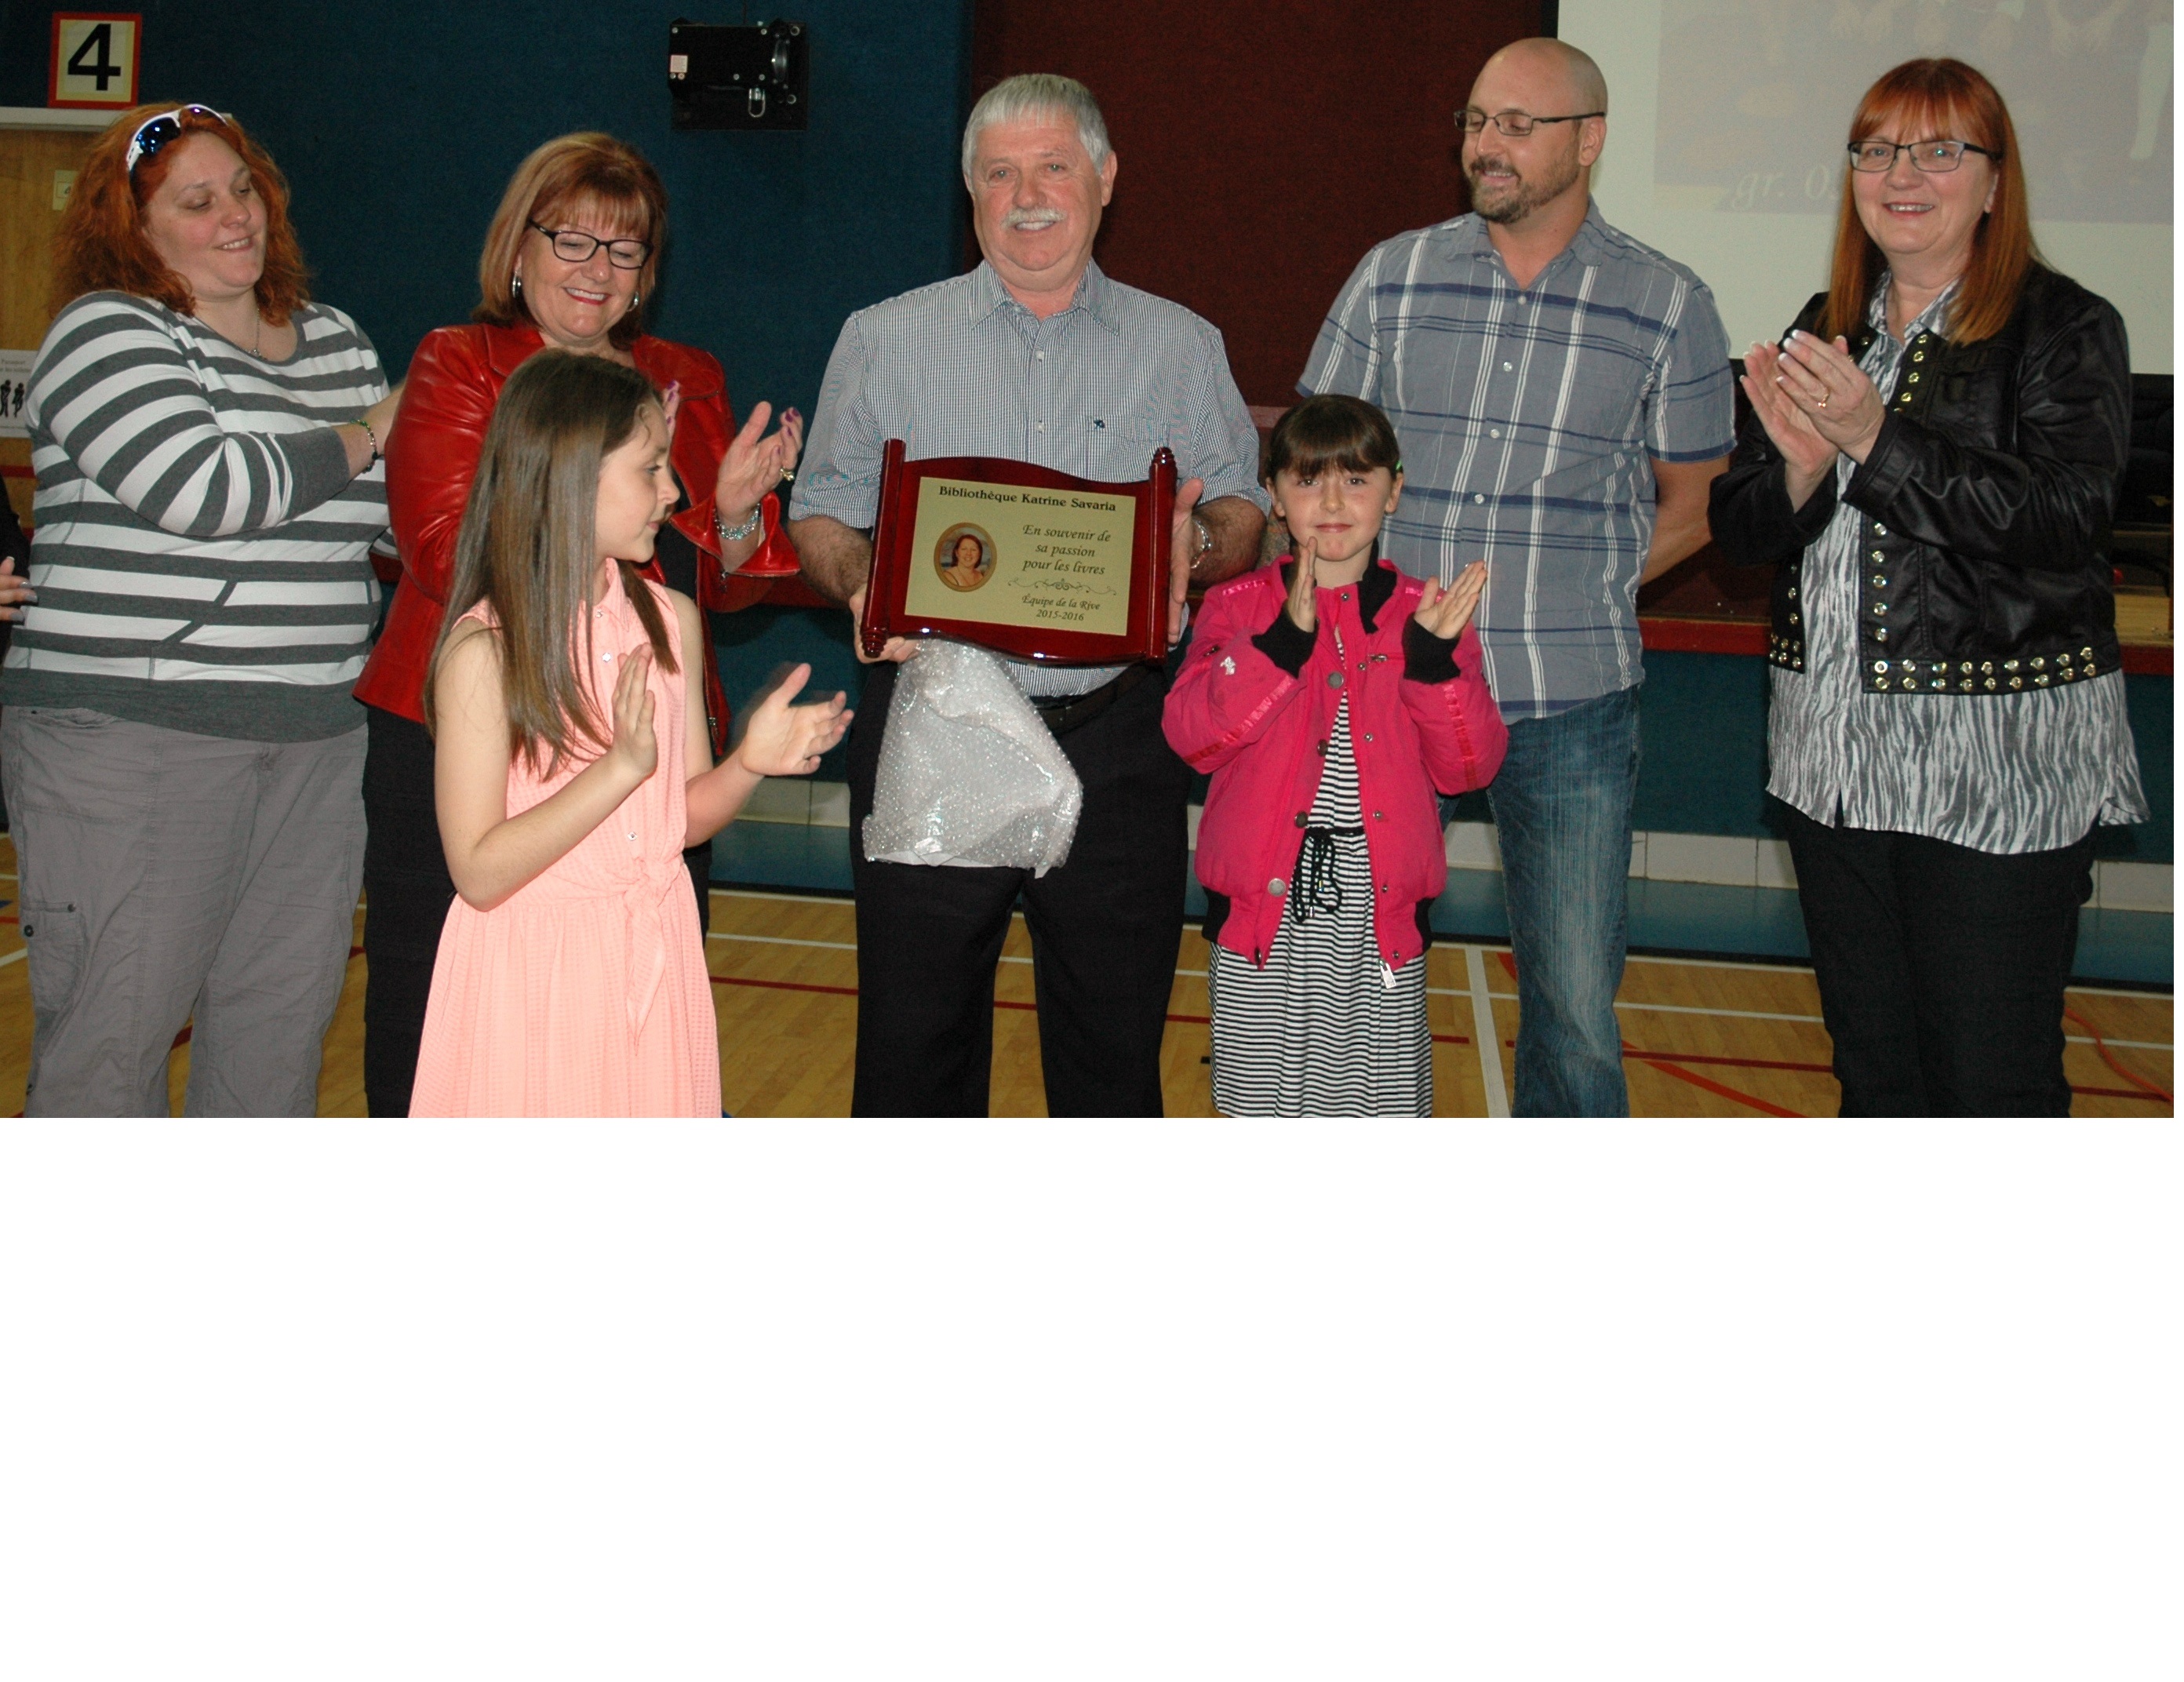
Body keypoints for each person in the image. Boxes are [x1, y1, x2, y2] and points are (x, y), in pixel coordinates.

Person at [790, 73, 1269, 1117]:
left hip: (1113, 743)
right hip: (935, 724)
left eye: (1053, 166)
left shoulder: (1179, 345)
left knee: (1111, 1063)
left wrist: (1193, 546)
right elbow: (818, 510)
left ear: (1103, 178)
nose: (1028, 195)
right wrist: (863, 579)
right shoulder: (885, 336)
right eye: (999, 174)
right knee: (913, 1057)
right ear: (971, 195)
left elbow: (1245, 511)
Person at [1301, 38, 1734, 1116]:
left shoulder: (1669, 303)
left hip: (1570, 702)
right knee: (1352, 976)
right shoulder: (1393, 275)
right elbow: (1313, 469)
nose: (1485, 146)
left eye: (1517, 125)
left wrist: (1584, 592)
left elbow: (1700, 506)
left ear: (1589, 141)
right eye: (1476, 121)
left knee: (1578, 1013)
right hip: (1386, 695)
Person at [1709, 58, 2146, 1116]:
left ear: (1996, 183)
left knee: (1986, 1084)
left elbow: (2060, 523)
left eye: (1942, 149)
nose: (1904, 172)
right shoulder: (1831, 320)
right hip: (1836, 765)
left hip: (1997, 772)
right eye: (1879, 149)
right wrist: (1807, 471)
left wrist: (1875, 438)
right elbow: (1742, 528)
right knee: (1877, 1078)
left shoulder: (2066, 329)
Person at [355, 131, 803, 1117]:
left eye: (625, 251)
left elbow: (724, 584)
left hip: (643, 721)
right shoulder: (461, 359)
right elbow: (441, 546)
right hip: (477, 729)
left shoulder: (684, 376)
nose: (598, 272)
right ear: (518, 251)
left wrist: (721, 515)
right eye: (572, 242)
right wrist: (570, 484)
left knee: (633, 1015)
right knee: (434, 1016)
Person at [0, 104, 399, 1116]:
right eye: (197, 200)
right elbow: (207, 490)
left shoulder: (336, 341)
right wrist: (373, 428)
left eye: (245, 188)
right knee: (110, 1040)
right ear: (135, 231)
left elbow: (399, 528)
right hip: (133, 735)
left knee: (276, 1037)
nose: (236, 216)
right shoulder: (103, 331)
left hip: (314, 739)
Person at [410, 352, 848, 1116]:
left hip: (653, 948)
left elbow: (679, 818)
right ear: (569, 477)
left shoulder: (668, 618)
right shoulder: (486, 652)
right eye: (650, 469)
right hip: (535, 974)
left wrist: (750, 763)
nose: (674, 493)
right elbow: (479, 872)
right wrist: (616, 771)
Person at [1163, 396, 1507, 1116]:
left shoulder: (1428, 612)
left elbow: (1469, 770)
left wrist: (1434, 665)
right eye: (1307, 480)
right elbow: (1192, 739)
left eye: (1356, 479)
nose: (1331, 501)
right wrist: (1280, 647)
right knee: (1262, 1110)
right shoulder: (1235, 608)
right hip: (1264, 909)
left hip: (1375, 914)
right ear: (1275, 498)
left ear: (1395, 488)